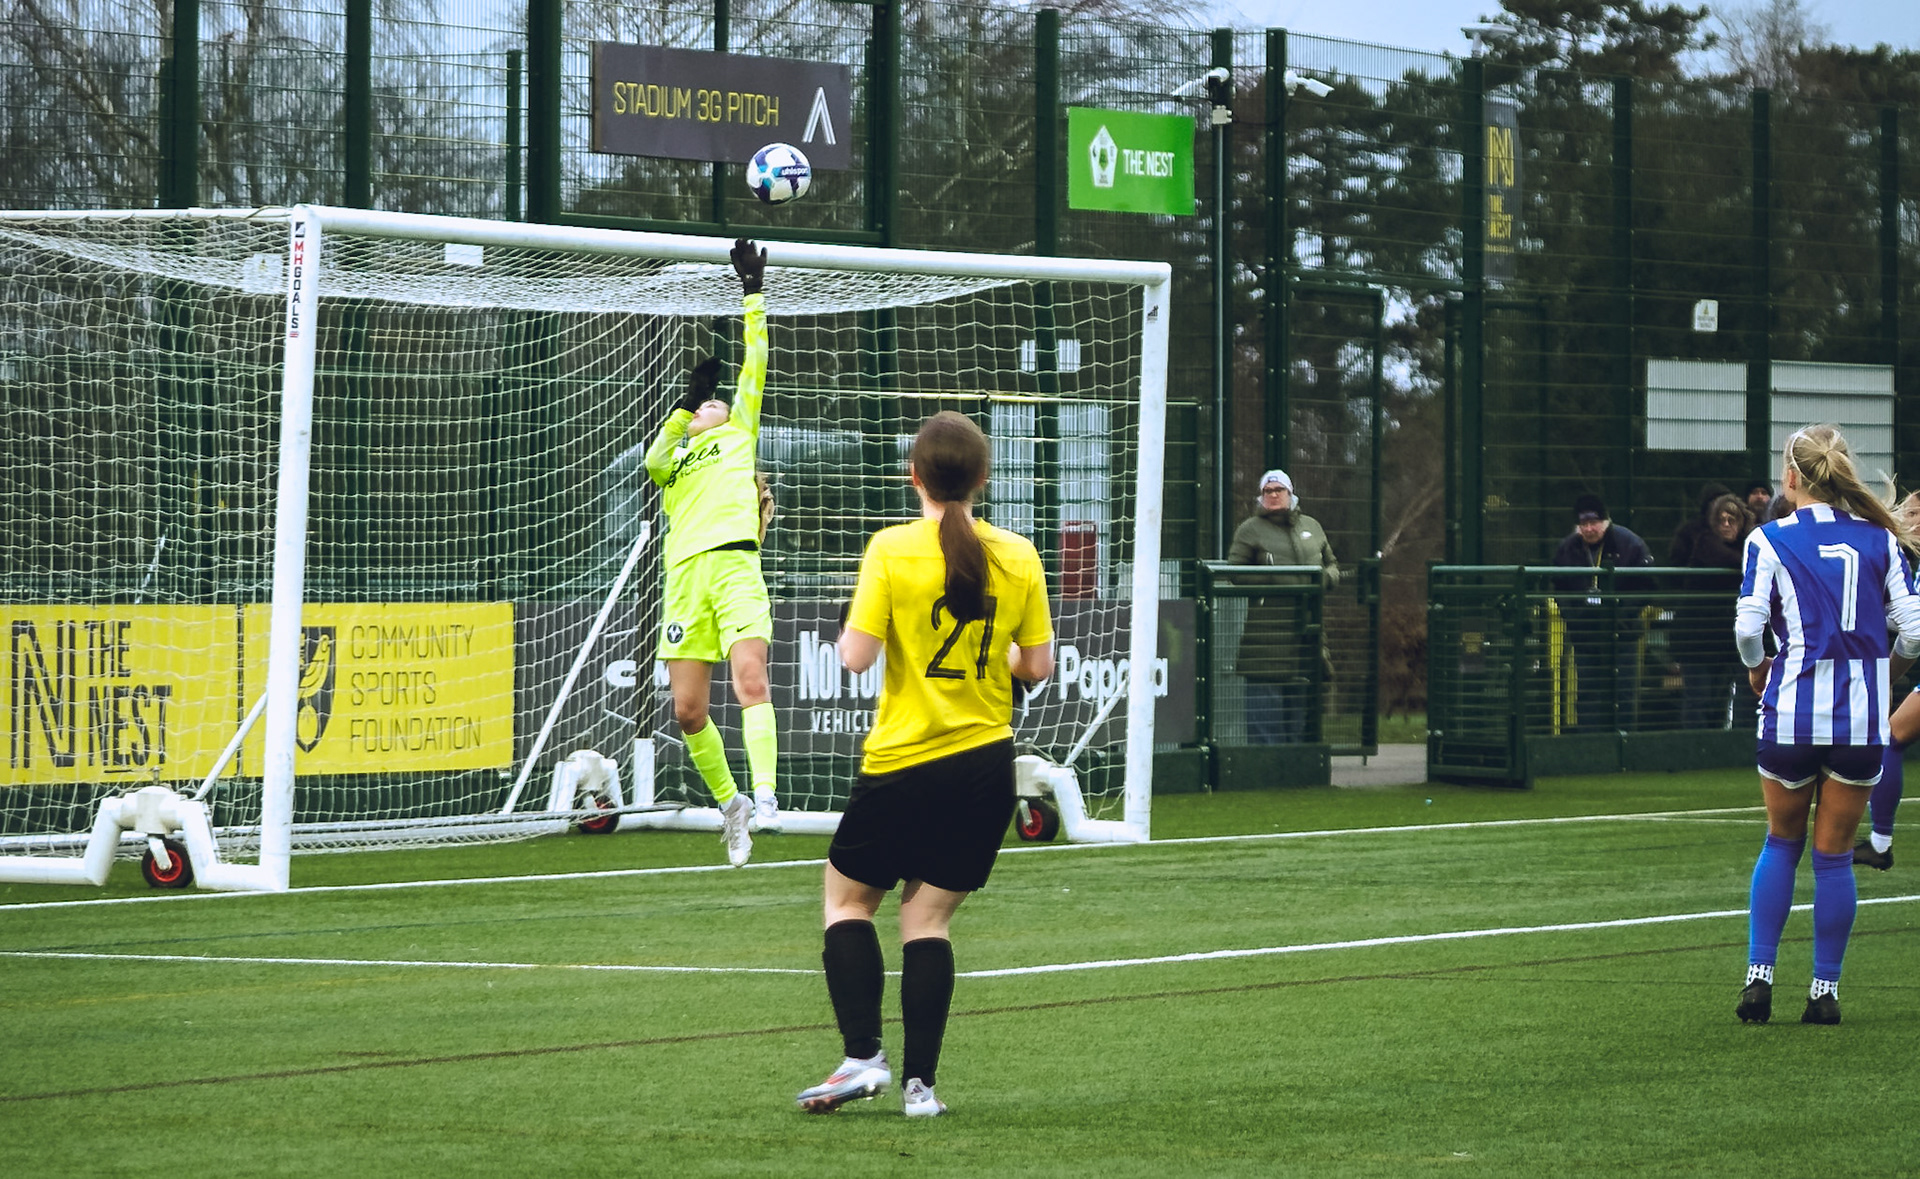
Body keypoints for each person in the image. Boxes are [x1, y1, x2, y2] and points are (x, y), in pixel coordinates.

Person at [796, 410, 1054, 1118]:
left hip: (904, 762)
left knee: (847, 902)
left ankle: (861, 1058)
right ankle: (921, 1089)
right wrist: (994, 649)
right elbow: (1036, 667)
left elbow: (855, 657)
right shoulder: (1020, 554)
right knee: (929, 923)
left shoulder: (891, 548)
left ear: (913, 475)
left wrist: (860, 626)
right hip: (984, 767)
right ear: (982, 478)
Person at [1733, 424, 1920, 1026]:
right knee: (1834, 857)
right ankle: (1824, 992)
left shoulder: (1768, 538)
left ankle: (1759, 979)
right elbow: (1915, 631)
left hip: (1791, 715)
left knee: (1780, 843)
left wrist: (1759, 668)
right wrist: (1887, 673)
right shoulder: (1880, 539)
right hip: (1859, 722)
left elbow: (1747, 628)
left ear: (1791, 477)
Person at [644, 238, 780, 868]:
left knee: (751, 680)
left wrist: (752, 292)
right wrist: (682, 408)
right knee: (687, 709)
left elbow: (756, 362)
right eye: (704, 404)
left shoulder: (739, 434)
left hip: (733, 565)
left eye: (714, 402)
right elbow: (654, 460)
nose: (711, 404)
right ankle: (733, 806)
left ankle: (767, 794)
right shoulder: (676, 461)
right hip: (683, 580)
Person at [1226, 469, 1339, 743]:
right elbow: (1236, 571)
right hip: (1265, 636)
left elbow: (1332, 564)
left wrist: (1326, 578)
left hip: (1306, 632)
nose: (1274, 495)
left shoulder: (1312, 526)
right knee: (1265, 714)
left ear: (1291, 493)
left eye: (1279, 490)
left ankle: (1297, 761)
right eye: (1268, 491)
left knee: (1299, 714)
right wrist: (1274, 578)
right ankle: (1265, 763)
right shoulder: (1249, 529)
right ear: (1261, 496)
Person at [1551, 494, 1653, 732]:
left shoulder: (1631, 544)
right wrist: (1575, 617)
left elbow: (1647, 586)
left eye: (1593, 522)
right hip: (1586, 638)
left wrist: (1622, 616)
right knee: (1588, 694)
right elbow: (1558, 586)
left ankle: (1624, 743)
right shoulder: (1567, 548)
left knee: (1624, 694)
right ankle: (1591, 744)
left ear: (1605, 522)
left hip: (1622, 635)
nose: (1589, 529)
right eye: (1583, 524)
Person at [1674, 494, 1752, 729]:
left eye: (1732, 520)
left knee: (1721, 700)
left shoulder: (1747, 545)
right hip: (1697, 641)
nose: (1726, 525)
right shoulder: (1705, 543)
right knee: (1698, 700)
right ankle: (1694, 746)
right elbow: (1734, 561)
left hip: (1726, 642)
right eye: (1721, 520)